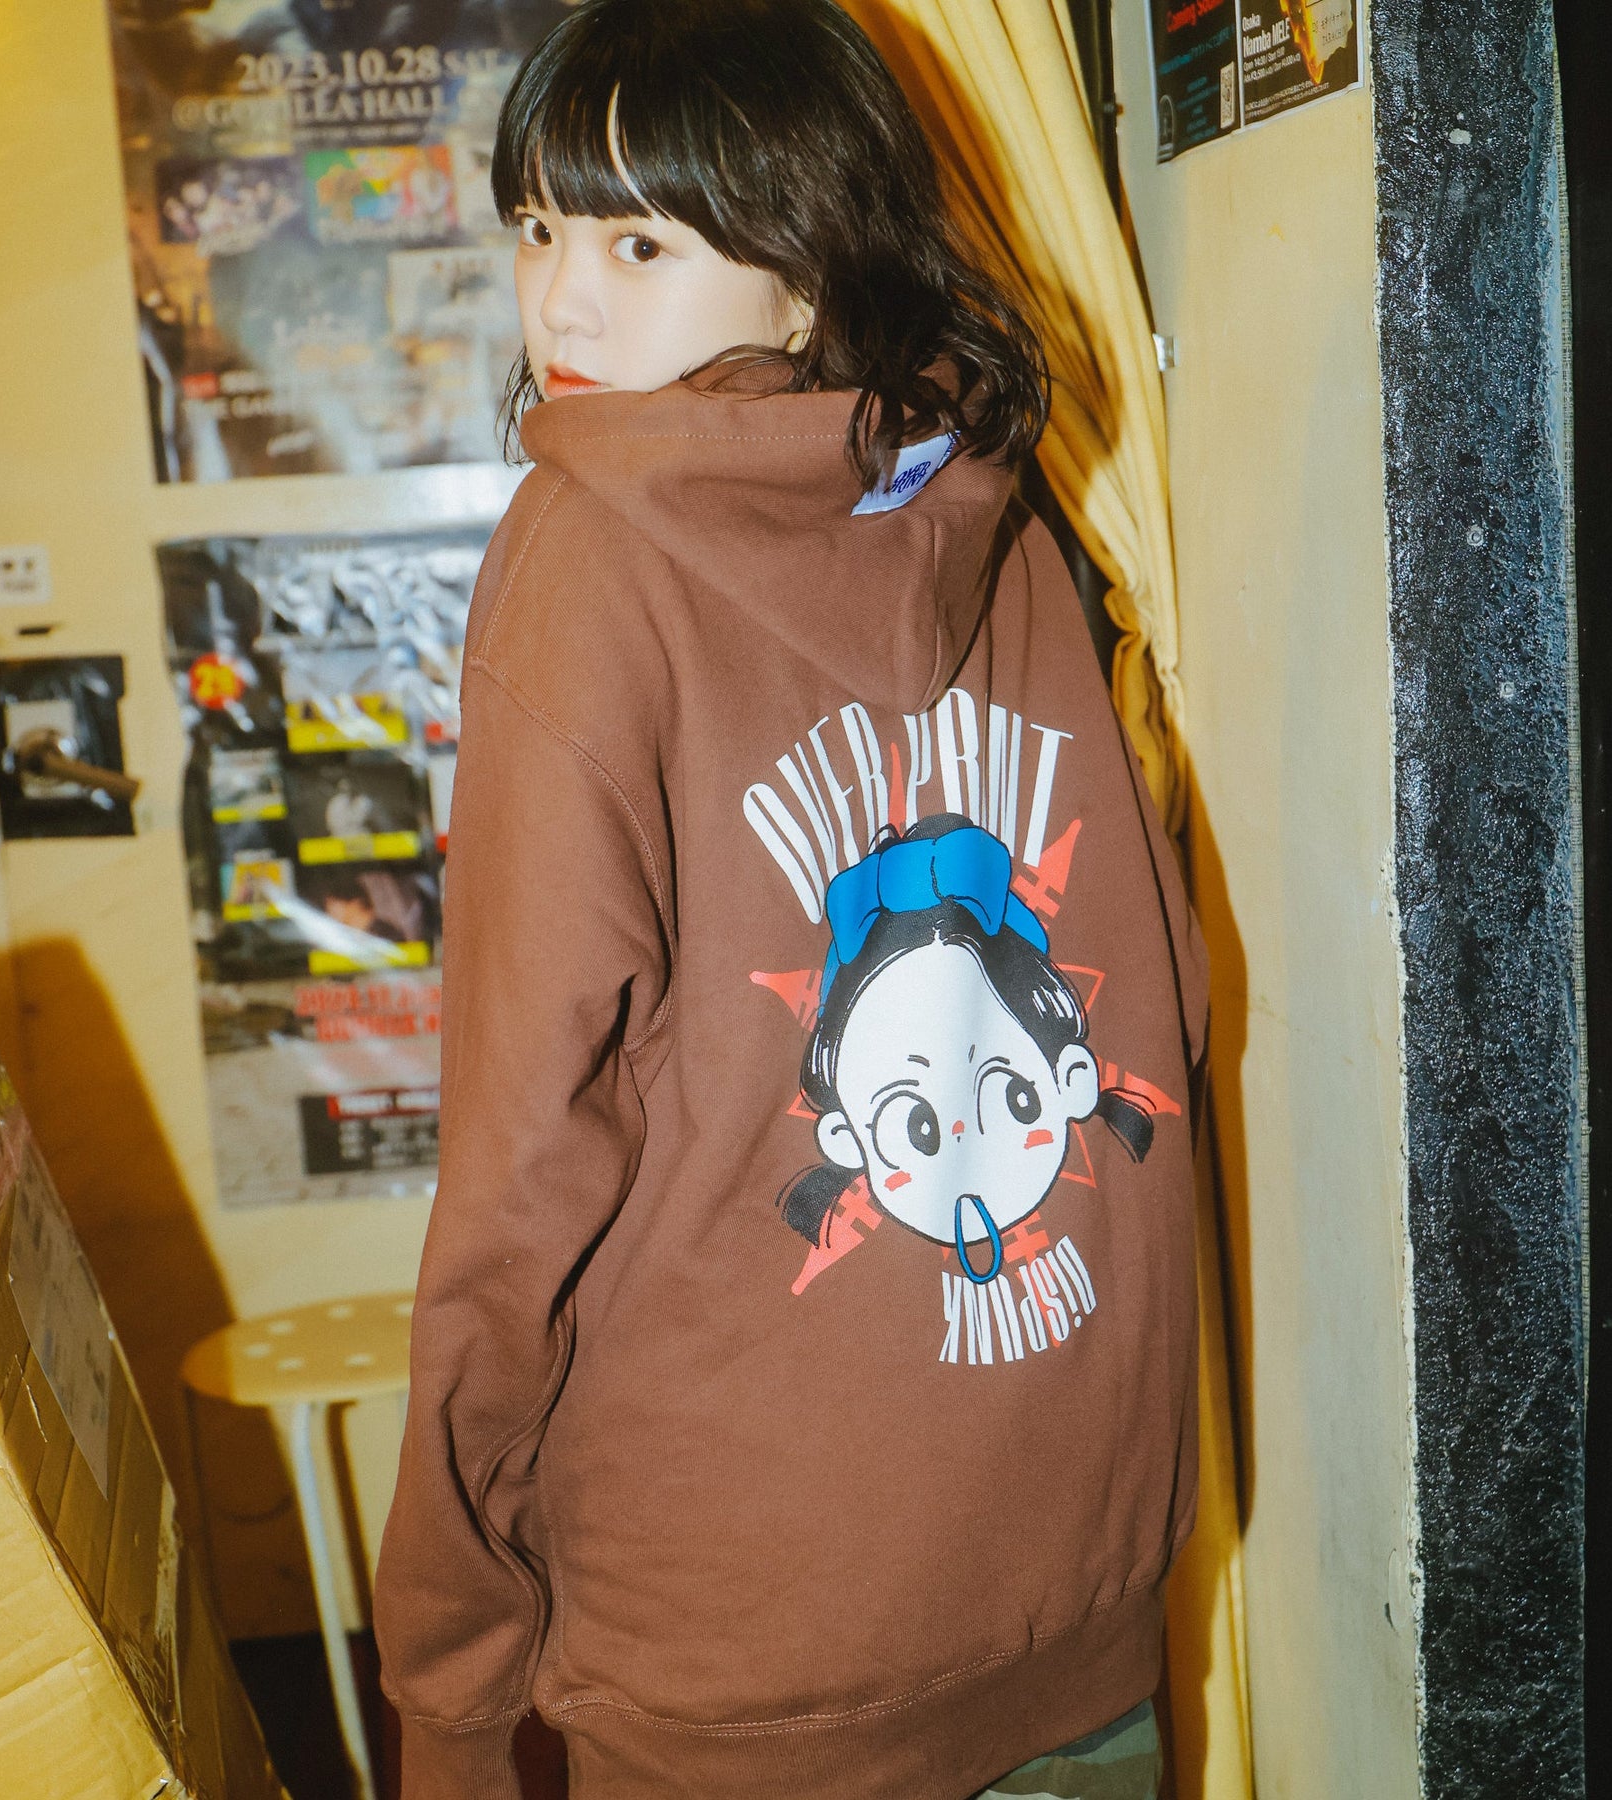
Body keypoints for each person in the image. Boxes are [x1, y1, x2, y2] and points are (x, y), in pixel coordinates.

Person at [373, 3, 1208, 1797]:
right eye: (538, 227)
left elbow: (523, 1154)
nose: (561, 302)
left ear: (808, 268)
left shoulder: (589, 556)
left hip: (744, 1636)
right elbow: (1165, 992)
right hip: (1067, 1582)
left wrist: (447, 1670)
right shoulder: (1008, 516)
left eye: (640, 245)